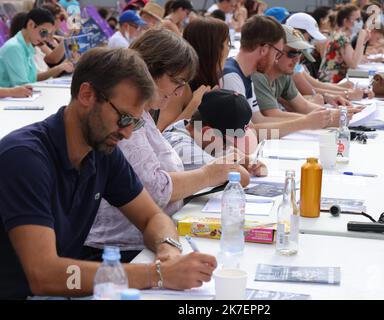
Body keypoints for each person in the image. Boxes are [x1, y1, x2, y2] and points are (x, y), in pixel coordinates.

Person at [0, 47, 217, 299]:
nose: (127, 133)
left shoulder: (102, 150)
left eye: (135, 123)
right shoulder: (24, 158)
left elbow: (152, 218)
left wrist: (168, 249)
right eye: (124, 118)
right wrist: (156, 274)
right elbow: (43, 274)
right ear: (87, 94)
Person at [83, 29, 251, 262]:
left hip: (146, 242)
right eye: (176, 82)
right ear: (148, 71)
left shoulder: (144, 115)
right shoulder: (126, 120)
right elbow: (154, 189)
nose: (179, 92)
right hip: (120, 251)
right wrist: (210, 173)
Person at [222, 15, 332, 139]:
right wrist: (305, 122)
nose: (276, 60)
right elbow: (247, 133)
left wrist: (310, 121)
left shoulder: (245, 74)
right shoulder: (232, 77)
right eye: (278, 53)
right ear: (264, 50)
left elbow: (260, 121)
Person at [252, 25, 348, 123]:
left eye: (299, 53)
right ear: (276, 51)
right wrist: (327, 117)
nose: (297, 59)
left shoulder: (283, 73)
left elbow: (303, 105)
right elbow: (272, 115)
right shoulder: (257, 76)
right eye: (292, 53)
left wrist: (340, 113)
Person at [163, 89, 266, 175]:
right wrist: (240, 161)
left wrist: (247, 160)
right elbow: (233, 175)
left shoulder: (190, 128)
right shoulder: (181, 146)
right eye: (227, 142)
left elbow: (227, 152)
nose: (229, 145)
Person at [155, 17, 227, 131]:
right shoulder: (180, 86)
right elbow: (161, 135)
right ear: (214, 49)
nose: (228, 49)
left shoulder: (210, 81)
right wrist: (194, 105)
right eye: (227, 43)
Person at [0, 8, 73, 88]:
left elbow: (34, 78)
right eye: (43, 32)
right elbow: (22, 86)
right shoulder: (14, 48)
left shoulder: (27, 46)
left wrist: (60, 68)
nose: (44, 38)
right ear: (31, 25)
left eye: (47, 34)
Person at [318, 4, 369, 83]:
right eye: (357, 19)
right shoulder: (341, 38)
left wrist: (363, 41)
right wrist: (361, 39)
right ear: (345, 21)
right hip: (331, 84)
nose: (360, 22)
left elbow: (356, 59)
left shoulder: (340, 35)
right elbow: (353, 64)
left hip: (335, 82)